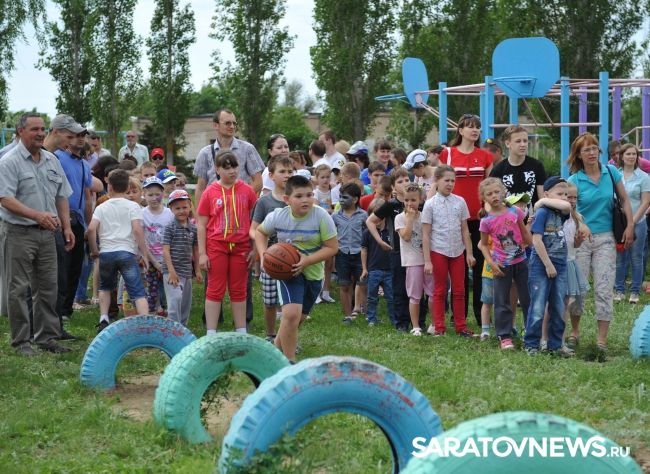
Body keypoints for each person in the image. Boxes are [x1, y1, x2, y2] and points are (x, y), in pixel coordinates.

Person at [0, 113, 75, 355]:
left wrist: (67, 227)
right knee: (18, 289)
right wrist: (37, 215)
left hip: (47, 233)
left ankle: (47, 339)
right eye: (34, 129)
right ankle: (22, 342)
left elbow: (61, 196)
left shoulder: (52, 160)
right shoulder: (9, 161)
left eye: (43, 129)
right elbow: (5, 199)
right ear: (20, 131)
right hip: (18, 233)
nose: (40, 133)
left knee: (48, 287)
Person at [255, 175, 338, 363]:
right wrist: (264, 255)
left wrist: (307, 261)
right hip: (289, 272)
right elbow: (260, 232)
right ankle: (289, 363)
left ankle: (273, 352)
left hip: (314, 274)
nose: (305, 200)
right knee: (291, 316)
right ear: (287, 199)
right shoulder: (278, 216)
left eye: (309, 195)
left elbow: (332, 248)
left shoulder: (321, 216)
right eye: (299, 196)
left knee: (296, 319)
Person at [566, 132, 634, 352]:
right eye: (586, 149)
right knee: (578, 289)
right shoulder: (574, 180)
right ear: (579, 154)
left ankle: (601, 339)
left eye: (594, 148)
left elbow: (624, 200)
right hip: (581, 239)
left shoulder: (611, 172)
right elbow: (569, 210)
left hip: (606, 238)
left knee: (604, 288)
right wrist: (578, 229)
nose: (591, 152)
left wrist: (630, 225)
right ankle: (574, 332)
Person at [428, 114, 494, 327]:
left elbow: (489, 188)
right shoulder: (447, 153)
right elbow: (436, 182)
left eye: (478, 127)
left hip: (480, 218)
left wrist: (492, 212)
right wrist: (427, 208)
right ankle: (459, 317)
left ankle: (482, 316)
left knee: (481, 266)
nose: (475, 130)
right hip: (453, 218)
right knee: (460, 270)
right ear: (460, 130)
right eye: (470, 126)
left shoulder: (485, 156)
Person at [197, 150, 257, 335]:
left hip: (241, 247)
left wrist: (255, 249)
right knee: (215, 289)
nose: (232, 171)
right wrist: (202, 253)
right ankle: (211, 333)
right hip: (216, 247)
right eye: (226, 167)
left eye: (235, 167)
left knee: (239, 289)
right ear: (217, 169)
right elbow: (201, 224)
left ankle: (241, 331)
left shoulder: (248, 190)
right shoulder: (210, 192)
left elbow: (256, 222)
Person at [87, 169, 150, 332]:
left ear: (109, 187)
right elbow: (137, 230)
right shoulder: (133, 206)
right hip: (126, 252)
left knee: (105, 287)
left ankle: (104, 318)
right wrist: (144, 253)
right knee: (138, 291)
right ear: (128, 188)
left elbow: (91, 229)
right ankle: (146, 324)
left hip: (106, 252)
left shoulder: (102, 207)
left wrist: (95, 250)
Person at [422, 165, 477, 337]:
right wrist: (427, 260)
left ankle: (461, 326)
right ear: (436, 181)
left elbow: (464, 229)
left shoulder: (460, 202)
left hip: (457, 251)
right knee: (440, 289)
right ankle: (439, 327)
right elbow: (425, 234)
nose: (450, 184)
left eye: (453, 181)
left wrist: (469, 253)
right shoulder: (430, 204)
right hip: (438, 250)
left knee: (460, 289)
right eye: (447, 180)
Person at [478, 177, 533, 349]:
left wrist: (536, 252)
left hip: (522, 262)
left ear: (503, 192)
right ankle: (504, 335)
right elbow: (484, 245)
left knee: (527, 298)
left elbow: (525, 233)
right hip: (501, 266)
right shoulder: (486, 221)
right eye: (489, 194)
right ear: (483, 198)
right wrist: (491, 263)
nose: (494, 196)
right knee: (502, 301)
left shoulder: (515, 211)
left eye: (497, 192)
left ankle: (531, 332)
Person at [524, 177, 573, 356]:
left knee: (558, 307)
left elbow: (567, 206)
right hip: (542, 264)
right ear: (547, 193)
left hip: (560, 263)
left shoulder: (561, 212)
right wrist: (548, 264)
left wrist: (543, 200)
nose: (564, 198)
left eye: (566, 194)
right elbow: (537, 241)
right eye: (559, 194)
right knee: (538, 306)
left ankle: (555, 345)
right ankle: (532, 344)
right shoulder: (543, 213)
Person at [540, 181, 590, 354]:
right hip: (553, 263)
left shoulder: (576, 218)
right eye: (568, 197)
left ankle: (560, 341)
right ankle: (544, 339)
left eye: (574, 197)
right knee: (550, 303)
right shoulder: (548, 214)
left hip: (569, 263)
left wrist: (578, 242)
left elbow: (573, 244)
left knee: (565, 304)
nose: (572, 200)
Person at [250, 154, 294, 343]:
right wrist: (264, 250)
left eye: (290, 171)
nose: (287, 175)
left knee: (290, 302)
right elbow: (253, 230)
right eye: (282, 171)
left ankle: (287, 338)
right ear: (271, 175)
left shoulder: (296, 200)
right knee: (269, 301)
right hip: (270, 258)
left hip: (293, 258)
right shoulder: (264, 202)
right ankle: (271, 335)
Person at [366, 167, 413, 330]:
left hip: (416, 252)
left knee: (415, 289)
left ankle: (418, 322)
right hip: (397, 252)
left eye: (407, 180)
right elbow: (370, 221)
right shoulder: (391, 205)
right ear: (393, 187)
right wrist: (379, 241)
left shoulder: (417, 202)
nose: (404, 183)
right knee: (399, 288)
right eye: (400, 181)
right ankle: (401, 323)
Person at [193, 109, 265, 205]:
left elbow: (258, 182)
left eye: (234, 123)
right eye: (227, 123)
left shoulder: (247, 148)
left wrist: (237, 197)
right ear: (215, 125)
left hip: (240, 207)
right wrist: (199, 213)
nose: (232, 126)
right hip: (214, 207)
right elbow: (200, 188)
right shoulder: (205, 153)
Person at [613, 143, 650, 304]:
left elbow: (645, 202)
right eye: (628, 154)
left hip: (638, 222)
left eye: (634, 154)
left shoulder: (643, 177)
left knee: (636, 257)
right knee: (620, 258)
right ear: (621, 156)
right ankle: (619, 290)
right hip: (619, 223)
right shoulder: (615, 175)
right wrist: (624, 223)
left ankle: (635, 291)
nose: (631, 156)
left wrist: (632, 223)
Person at [395, 183, 432, 336]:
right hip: (412, 261)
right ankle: (415, 326)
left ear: (420, 200)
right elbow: (406, 236)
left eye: (413, 200)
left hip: (428, 260)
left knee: (432, 294)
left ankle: (434, 324)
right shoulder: (399, 218)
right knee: (415, 296)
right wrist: (409, 219)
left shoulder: (425, 216)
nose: (410, 204)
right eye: (406, 200)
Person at [162, 190, 203, 327]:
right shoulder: (169, 227)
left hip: (186, 271)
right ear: (171, 209)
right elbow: (166, 250)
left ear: (190, 206)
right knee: (175, 299)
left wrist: (197, 270)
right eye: (177, 208)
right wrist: (171, 271)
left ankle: (182, 329)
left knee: (185, 303)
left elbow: (195, 249)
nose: (181, 211)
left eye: (184, 207)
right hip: (172, 271)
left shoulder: (194, 229)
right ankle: (173, 329)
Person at [489, 125, 546, 220]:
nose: (523, 144)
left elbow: (542, 199)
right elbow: (491, 200)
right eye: (518, 141)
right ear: (508, 144)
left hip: (532, 222)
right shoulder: (498, 170)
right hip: (506, 222)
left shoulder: (536, 166)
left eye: (525, 141)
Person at [332, 182, 368, 324]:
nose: (341, 200)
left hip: (359, 255)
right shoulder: (335, 216)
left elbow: (368, 233)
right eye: (340, 197)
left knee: (364, 285)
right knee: (344, 285)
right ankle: (348, 315)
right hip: (342, 254)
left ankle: (368, 315)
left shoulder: (363, 215)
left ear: (355, 199)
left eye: (345, 197)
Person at [141, 176, 174, 315]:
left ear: (163, 194)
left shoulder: (169, 214)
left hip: (168, 259)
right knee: (152, 291)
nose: (154, 198)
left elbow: (173, 238)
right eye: (150, 195)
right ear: (144, 194)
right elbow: (141, 240)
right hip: (150, 259)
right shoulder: (142, 214)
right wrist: (153, 261)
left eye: (157, 195)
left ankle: (169, 314)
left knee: (169, 288)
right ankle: (152, 316)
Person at [361, 198, 393, 326]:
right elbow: (364, 250)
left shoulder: (391, 230)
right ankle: (371, 318)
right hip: (373, 269)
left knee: (391, 297)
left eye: (380, 214)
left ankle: (395, 319)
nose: (378, 218)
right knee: (372, 297)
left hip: (389, 269)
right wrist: (364, 268)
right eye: (375, 214)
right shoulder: (368, 232)